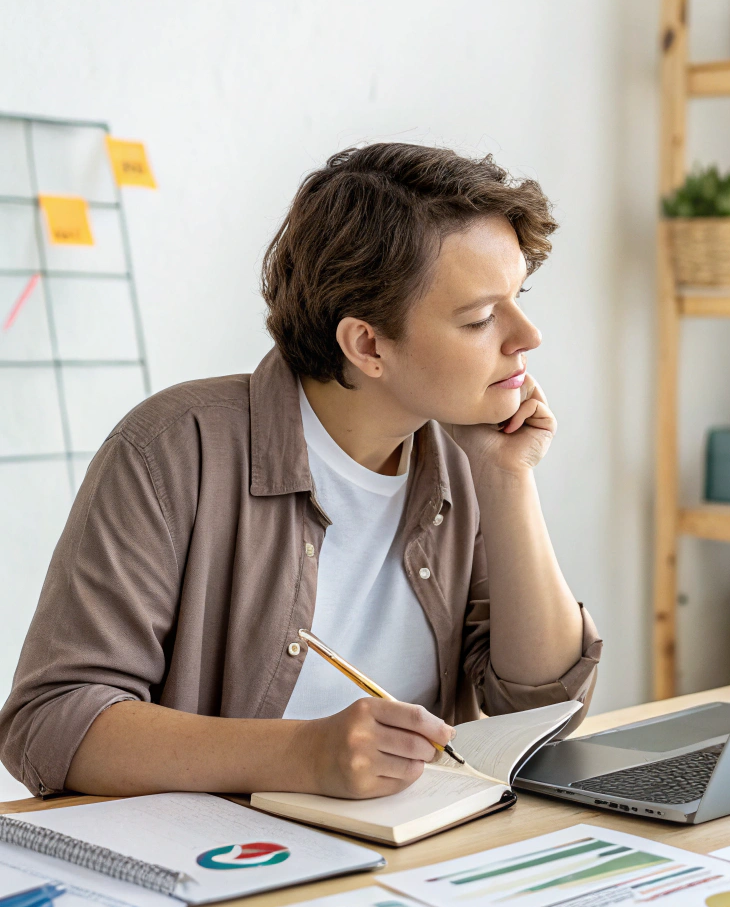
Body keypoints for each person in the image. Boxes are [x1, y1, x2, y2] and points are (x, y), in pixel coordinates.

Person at [0, 144, 600, 801]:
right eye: (482, 317)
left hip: (409, 867)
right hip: (221, 875)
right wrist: (301, 754)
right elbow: (51, 723)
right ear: (367, 344)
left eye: (518, 297)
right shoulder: (173, 449)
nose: (528, 335)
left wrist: (509, 478)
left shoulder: (466, 453)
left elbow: (542, 707)